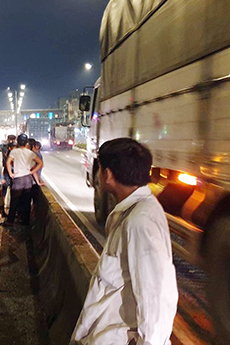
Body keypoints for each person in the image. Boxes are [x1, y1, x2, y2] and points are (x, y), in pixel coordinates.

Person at [71, 138, 178, 345]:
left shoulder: (139, 221)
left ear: (108, 175)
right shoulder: (134, 211)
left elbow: (155, 292)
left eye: (100, 168)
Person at [5, 134, 43, 225]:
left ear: (18, 142)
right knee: (26, 202)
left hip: (18, 179)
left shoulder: (14, 152)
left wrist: (11, 173)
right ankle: (25, 222)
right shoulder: (30, 153)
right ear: (26, 142)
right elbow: (40, 163)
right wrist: (32, 171)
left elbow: (8, 162)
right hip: (28, 179)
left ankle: (10, 221)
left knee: (14, 201)